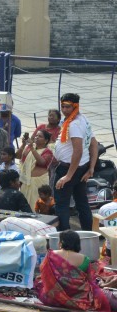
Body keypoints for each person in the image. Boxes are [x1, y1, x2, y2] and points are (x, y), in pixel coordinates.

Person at [36, 230, 116, 312]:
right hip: (78, 301)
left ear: (60, 243)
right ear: (78, 243)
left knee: (39, 282)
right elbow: (90, 280)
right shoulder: (84, 259)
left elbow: (43, 271)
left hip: (53, 299)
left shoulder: (50, 255)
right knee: (98, 293)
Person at [53, 93, 93, 231]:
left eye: (68, 107)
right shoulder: (83, 119)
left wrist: (68, 176)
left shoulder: (74, 124)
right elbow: (93, 143)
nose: (64, 110)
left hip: (69, 169)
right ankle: (88, 233)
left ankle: (65, 237)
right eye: (62, 106)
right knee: (82, 203)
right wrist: (91, 168)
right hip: (81, 168)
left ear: (75, 106)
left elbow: (78, 151)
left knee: (61, 205)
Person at [19, 129, 55, 206]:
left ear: (46, 140)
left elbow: (42, 162)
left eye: (40, 136)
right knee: (24, 205)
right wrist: (23, 144)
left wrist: (32, 149)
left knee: (36, 205)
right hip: (26, 181)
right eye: (36, 135)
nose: (37, 137)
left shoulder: (48, 152)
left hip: (39, 183)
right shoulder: (29, 147)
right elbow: (20, 158)